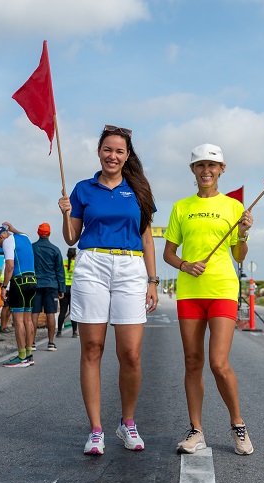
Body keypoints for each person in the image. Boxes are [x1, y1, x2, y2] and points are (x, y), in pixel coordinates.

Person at [57, 124, 159, 455]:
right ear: (98, 152)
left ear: (127, 156)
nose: (112, 156)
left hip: (130, 268)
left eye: (119, 151)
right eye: (107, 149)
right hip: (93, 265)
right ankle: (96, 429)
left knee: (130, 353)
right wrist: (66, 213)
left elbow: (146, 238)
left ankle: (127, 422)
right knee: (92, 348)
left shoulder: (139, 190)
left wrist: (153, 281)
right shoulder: (83, 189)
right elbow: (71, 238)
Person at [163, 143, 255, 456]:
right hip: (189, 291)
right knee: (192, 361)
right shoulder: (180, 207)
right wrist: (185, 265)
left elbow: (239, 255)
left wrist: (242, 233)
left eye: (212, 166)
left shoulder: (233, 207)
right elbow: (169, 253)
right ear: (193, 170)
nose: (206, 171)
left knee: (218, 362)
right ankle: (196, 431)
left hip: (222, 290)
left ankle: (238, 425)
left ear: (222, 170)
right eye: (200, 166)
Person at [0, 222, 37, 368]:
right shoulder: (25, 237)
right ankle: (29, 355)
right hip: (32, 280)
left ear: (0, 236)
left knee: (18, 321)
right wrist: (13, 229)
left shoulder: (7, 242)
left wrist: (4, 287)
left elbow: (10, 266)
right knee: (28, 320)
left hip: (19, 281)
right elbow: (22, 233)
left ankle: (21, 357)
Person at [31, 222, 65, 352]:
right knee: (50, 313)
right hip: (51, 284)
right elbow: (59, 271)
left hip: (36, 284)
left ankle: (32, 342)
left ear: (38, 233)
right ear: (49, 234)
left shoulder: (32, 248)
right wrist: (61, 288)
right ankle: (51, 343)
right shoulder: (55, 249)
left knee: (34, 313)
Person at [57, 247, 78, 338]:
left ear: (66, 255)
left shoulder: (63, 263)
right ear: (75, 256)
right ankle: (74, 332)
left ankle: (59, 331)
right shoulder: (77, 264)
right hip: (73, 289)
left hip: (64, 288)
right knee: (73, 311)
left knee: (62, 311)